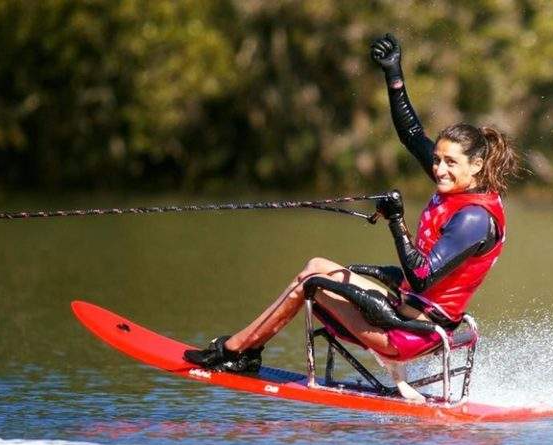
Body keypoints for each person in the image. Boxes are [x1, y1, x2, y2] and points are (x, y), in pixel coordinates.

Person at [184, 33, 518, 374]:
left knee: (311, 281)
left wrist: (396, 220)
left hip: (412, 334)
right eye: (437, 160)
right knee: (316, 265)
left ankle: (237, 350)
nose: (438, 169)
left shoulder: (475, 218)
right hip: (404, 312)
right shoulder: (455, 187)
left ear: (476, 166)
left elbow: (420, 277)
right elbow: (412, 135)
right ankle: (245, 349)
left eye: (450, 163)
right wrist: (394, 75)